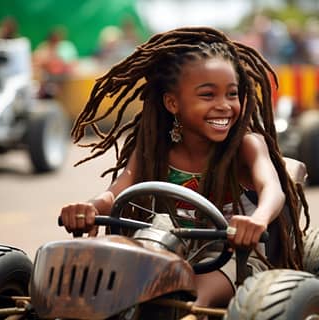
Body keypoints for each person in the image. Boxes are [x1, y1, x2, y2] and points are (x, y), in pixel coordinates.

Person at [60, 27, 309, 310]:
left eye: (232, 94)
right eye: (208, 95)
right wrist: (89, 208)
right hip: (168, 249)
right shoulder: (155, 151)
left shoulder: (247, 145)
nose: (224, 106)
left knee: (192, 299)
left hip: (233, 256)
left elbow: (272, 189)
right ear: (172, 103)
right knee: (118, 283)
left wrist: (258, 219)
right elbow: (116, 191)